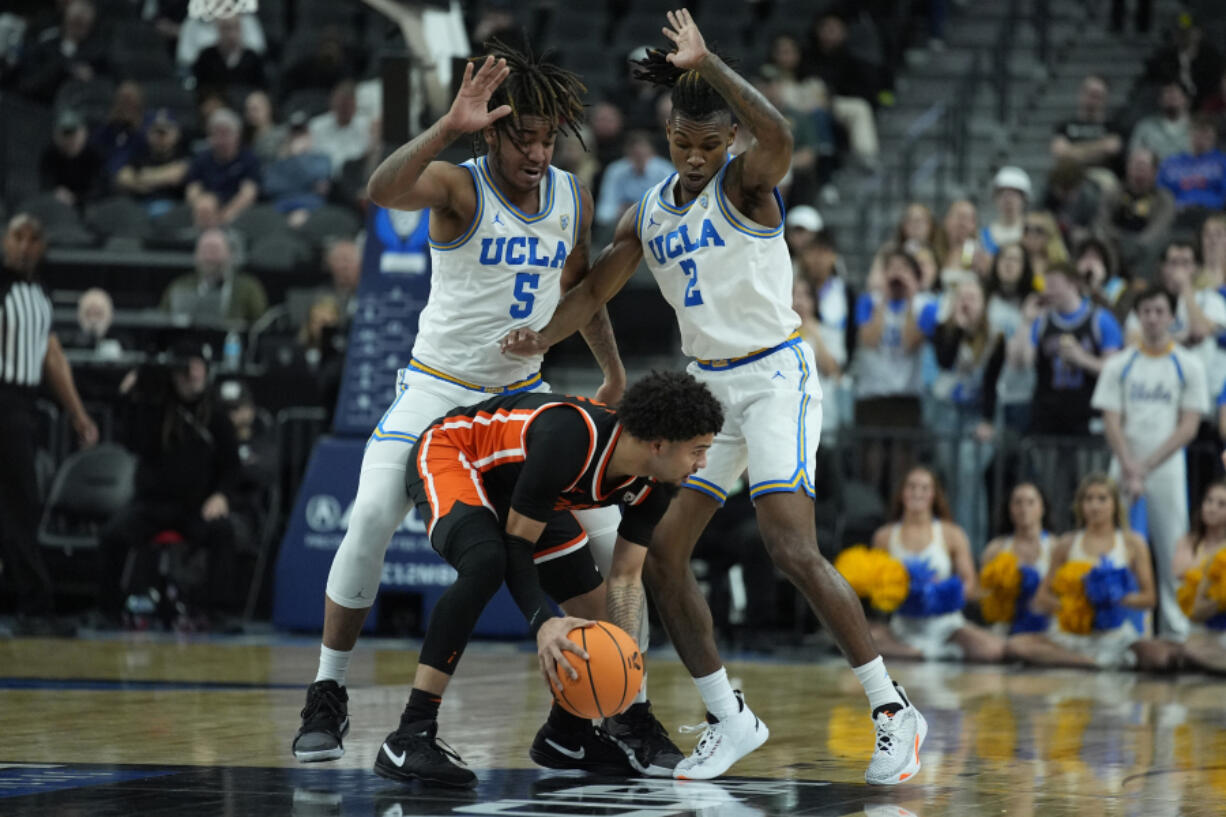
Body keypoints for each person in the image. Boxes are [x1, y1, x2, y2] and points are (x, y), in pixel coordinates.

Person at [502, 10, 927, 785]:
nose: (694, 159)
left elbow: (783, 136)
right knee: (662, 556)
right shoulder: (649, 210)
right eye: (681, 143)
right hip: (708, 394)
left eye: (708, 144)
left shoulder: (749, 182)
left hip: (773, 377)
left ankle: (892, 707)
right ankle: (729, 717)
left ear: (729, 139)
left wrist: (713, 62)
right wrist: (542, 335)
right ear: (666, 136)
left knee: (790, 547)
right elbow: (594, 288)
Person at [290, 40, 637, 772]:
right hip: (439, 388)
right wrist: (446, 126)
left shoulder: (572, 194)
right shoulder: (459, 186)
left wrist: (611, 372)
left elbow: (583, 288)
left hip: (521, 395)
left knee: (607, 534)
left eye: (548, 139)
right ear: (492, 134)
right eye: (524, 139)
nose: (538, 153)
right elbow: (383, 190)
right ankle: (327, 690)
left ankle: (590, 717)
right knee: (375, 513)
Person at [374, 373, 723, 787]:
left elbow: (626, 578)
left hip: (527, 491)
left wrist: (624, 665)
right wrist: (543, 623)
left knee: (596, 617)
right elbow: (517, 546)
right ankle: (410, 734)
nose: (703, 464)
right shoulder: (570, 437)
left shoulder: (655, 485)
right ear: (658, 444)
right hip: (458, 455)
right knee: (487, 562)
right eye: (697, 451)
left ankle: (566, 735)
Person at [0, 214, 98, 634]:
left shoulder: (39, 291)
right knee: (19, 504)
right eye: (17, 236)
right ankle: (35, 605)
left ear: (42, 247)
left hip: (21, 406)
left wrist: (78, 413)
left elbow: (51, 355)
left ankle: (32, 604)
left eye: (33, 238)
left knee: (21, 504)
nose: (24, 245)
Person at [1093, 284, 1208, 640]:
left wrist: (1147, 465)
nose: (1153, 319)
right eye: (1146, 312)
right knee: (1117, 546)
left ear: (1172, 317)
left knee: (1171, 544)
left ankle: (1176, 630)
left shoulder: (1188, 364)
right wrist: (1129, 464)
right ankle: (1123, 628)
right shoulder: (1119, 364)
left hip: (1167, 467)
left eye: (1160, 311)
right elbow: (1112, 419)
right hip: (1124, 465)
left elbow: (1188, 426)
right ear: (1138, 317)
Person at [99, 345, 242, 625]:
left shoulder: (215, 413)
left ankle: (220, 612)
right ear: (175, 374)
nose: (194, 374)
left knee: (223, 532)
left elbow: (232, 464)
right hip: (153, 504)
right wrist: (130, 398)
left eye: (200, 366)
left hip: (196, 507)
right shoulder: (156, 408)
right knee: (111, 535)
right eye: (188, 367)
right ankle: (108, 610)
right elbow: (133, 442)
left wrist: (222, 495)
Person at [1006, 474, 1165, 670]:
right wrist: (1076, 606)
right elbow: (1042, 598)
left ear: (1115, 503)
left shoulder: (1132, 543)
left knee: (1158, 655)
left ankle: (1107, 659)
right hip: (1072, 635)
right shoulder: (1067, 543)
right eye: (1088, 499)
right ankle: (1090, 663)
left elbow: (1149, 598)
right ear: (1080, 505)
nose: (1094, 506)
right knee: (1016, 645)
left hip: (1115, 634)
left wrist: (1116, 598)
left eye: (1102, 499)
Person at [867, 467, 1006, 662]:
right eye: (912, 487)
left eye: (924, 488)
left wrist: (940, 595)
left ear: (933, 494)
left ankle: (934, 649)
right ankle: (920, 653)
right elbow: (874, 584)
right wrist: (901, 592)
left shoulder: (952, 533)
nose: (917, 493)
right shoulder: (884, 536)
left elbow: (970, 584)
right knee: (863, 640)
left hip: (946, 625)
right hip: (902, 625)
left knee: (993, 649)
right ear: (902, 493)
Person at [980, 482, 1054, 636]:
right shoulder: (995, 548)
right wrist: (1004, 595)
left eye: (1030, 502)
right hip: (1006, 627)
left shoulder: (1056, 547)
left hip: (1048, 627)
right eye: (1017, 502)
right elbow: (982, 594)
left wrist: (1038, 599)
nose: (1024, 508)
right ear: (1010, 509)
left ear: (1042, 508)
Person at [1171, 481, 1226, 673]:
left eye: (1221, 504)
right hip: (1198, 625)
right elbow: (1179, 571)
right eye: (1209, 501)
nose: (1212, 508)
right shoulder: (1190, 541)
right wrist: (1215, 571)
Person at [161, 228, 268, 326]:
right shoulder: (180, 285)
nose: (208, 257)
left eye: (214, 251)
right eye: (203, 251)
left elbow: (260, 323)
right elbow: (162, 319)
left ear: (231, 254)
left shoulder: (249, 288)